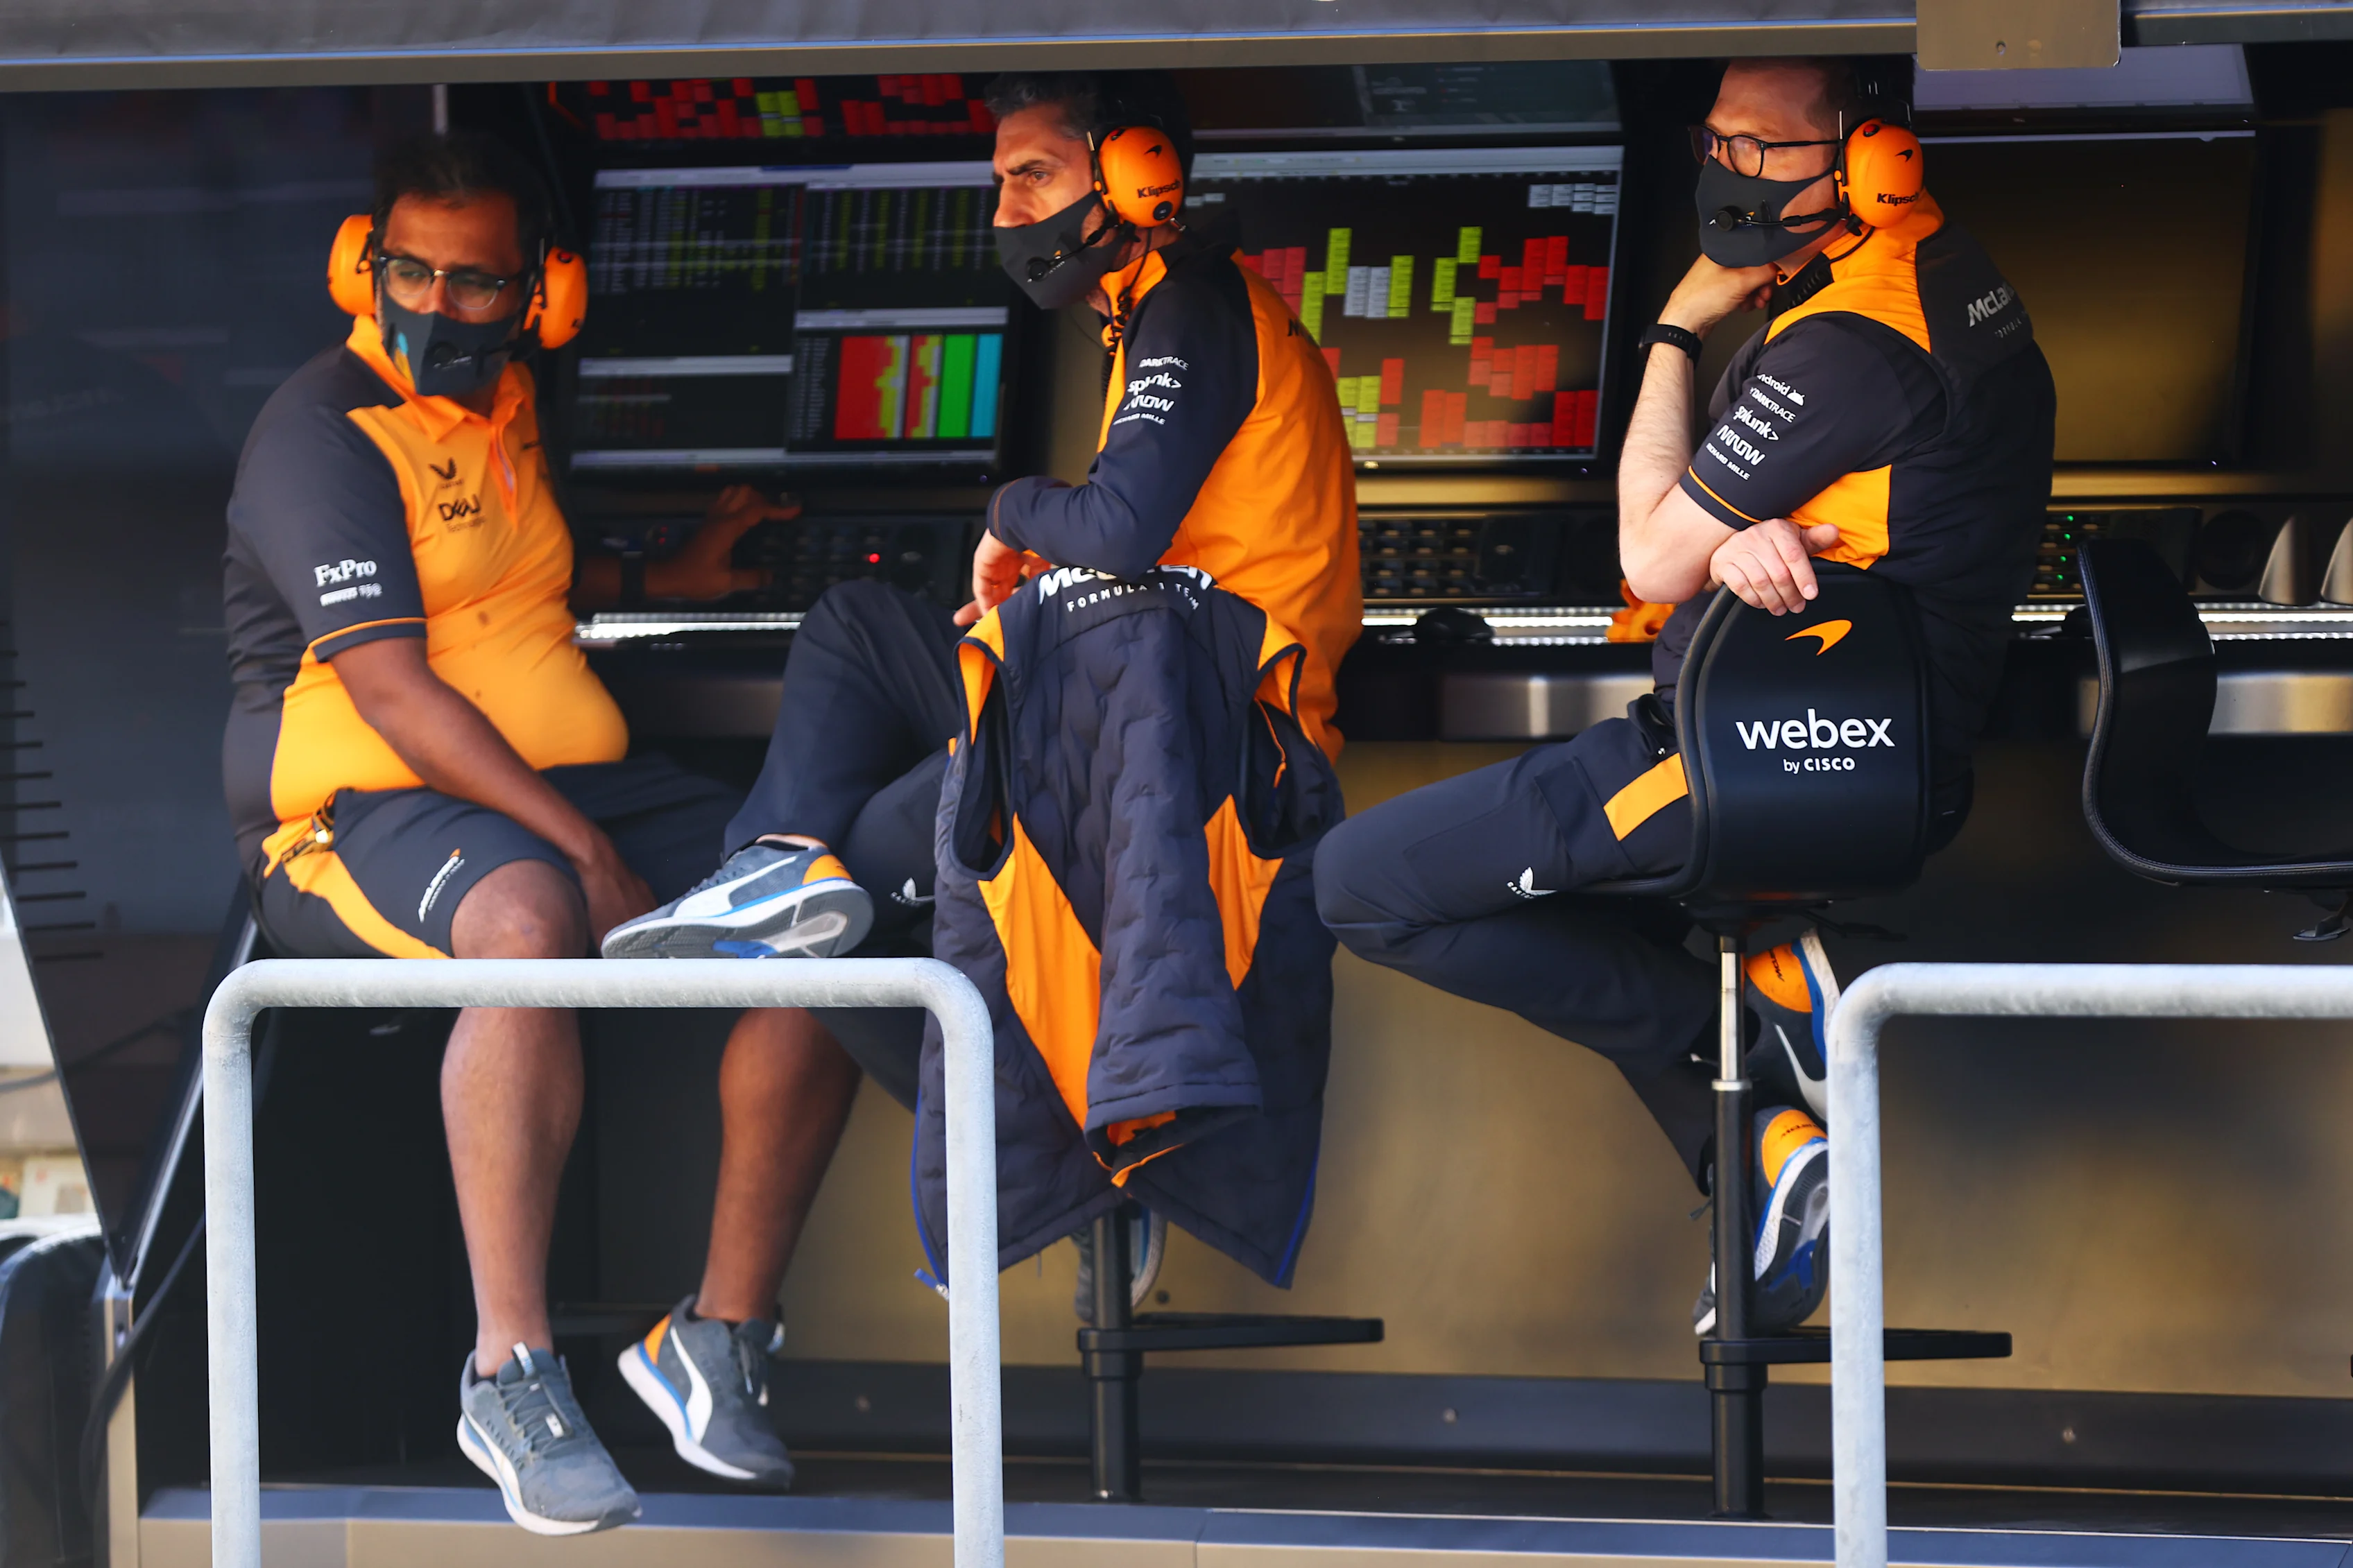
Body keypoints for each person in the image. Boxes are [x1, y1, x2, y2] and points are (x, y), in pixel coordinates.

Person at [1312, 55, 2055, 1335]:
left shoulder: (1854, 338)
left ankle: (1764, 1022)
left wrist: (1672, 327)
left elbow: (1643, 554)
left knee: (1361, 886)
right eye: (1716, 140)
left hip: (1752, 753)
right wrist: (1727, 540)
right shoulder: (1946, 276)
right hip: (1860, 746)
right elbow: (1749, 532)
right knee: (1612, 926)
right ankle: (1760, 1155)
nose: (1727, 173)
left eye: (1762, 148)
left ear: (1876, 159)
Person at [607, 69, 1358, 1302]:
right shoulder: (1147, 312)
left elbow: (1117, 529)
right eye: (998, 179)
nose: (1006, 208)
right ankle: (778, 856)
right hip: (1121, 699)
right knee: (857, 623)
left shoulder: (1199, 307)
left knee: (844, 926)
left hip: (1217, 737)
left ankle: (1085, 1163)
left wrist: (1011, 511)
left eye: (1034, 175)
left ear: (1132, 173)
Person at [221, 133, 855, 1535]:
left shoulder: (505, 404)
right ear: (360, 265)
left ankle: (717, 1327)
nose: (437, 306)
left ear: (540, 295)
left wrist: (664, 570)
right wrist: (574, 839)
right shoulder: (318, 432)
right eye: (410, 273)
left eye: (476, 283)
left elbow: (503, 586)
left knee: (819, 891)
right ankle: (509, 1370)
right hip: (361, 809)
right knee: (527, 917)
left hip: (549, 785)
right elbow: (395, 679)